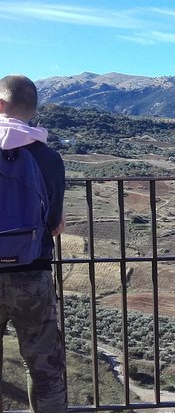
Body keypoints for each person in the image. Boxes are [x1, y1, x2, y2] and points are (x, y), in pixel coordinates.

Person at [0, 75, 67, 412]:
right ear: (33, 109)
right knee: (44, 370)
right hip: (33, 274)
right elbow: (53, 225)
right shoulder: (49, 158)